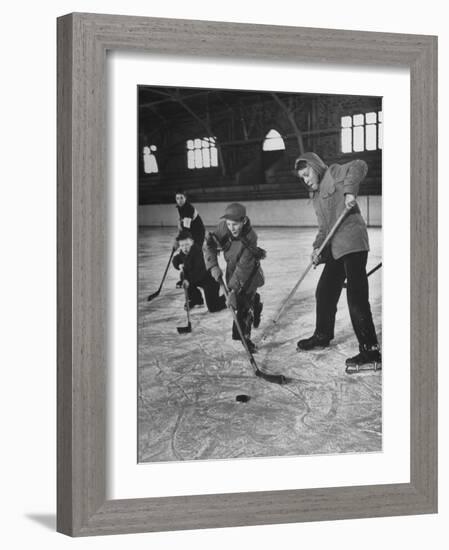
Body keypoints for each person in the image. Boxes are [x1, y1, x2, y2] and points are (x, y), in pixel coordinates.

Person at [294, 152, 381, 373]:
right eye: (302, 177)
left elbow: (359, 165)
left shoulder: (333, 173)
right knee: (324, 291)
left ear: (315, 166)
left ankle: (370, 351)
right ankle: (323, 335)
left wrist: (350, 192)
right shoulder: (315, 197)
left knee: (356, 296)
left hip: (352, 242)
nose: (305, 179)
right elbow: (324, 229)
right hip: (334, 248)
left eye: (307, 174)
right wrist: (317, 249)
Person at [204, 203, 264, 353]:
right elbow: (208, 244)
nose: (231, 228)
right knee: (240, 303)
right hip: (232, 270)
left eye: (235, 224)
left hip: (248, 274)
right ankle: (256, 302)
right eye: (229, 224)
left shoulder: (251, 237)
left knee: (243, 308)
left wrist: (232, 292)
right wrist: (213, 266)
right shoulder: (223, 228)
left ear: (243, 221)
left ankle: (246, 339)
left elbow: (243, 268)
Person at [172, 229, 226, 312]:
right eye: (182, 245)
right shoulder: (183, 253)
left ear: (192, 242)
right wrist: (177, 264)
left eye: (187, 244)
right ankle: (196, 300)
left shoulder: (198, 253)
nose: (184, 248)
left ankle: (226, 298)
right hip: (197, 279)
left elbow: (197, 274)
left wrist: (186, 280)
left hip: (209, 281)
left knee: (214, 307)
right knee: (184, 276)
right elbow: (177, 258)